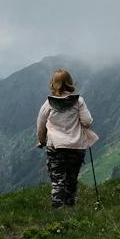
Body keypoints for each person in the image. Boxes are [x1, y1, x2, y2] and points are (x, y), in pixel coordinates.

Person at [36, 68, 99, 208]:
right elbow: (87, 122)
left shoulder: (48, 104)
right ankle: (69, 209)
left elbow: (40, 125)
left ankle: (58, 214)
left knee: (58, 180)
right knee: (71, 180)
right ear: (69, 83)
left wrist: (42, 141)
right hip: (76, 147)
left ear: (54, 84)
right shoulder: (78, 101)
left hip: (55, 147)